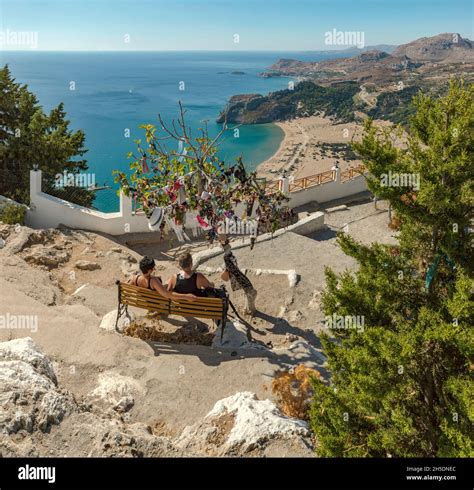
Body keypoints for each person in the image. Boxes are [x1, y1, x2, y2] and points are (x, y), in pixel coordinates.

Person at [128, 256, 197, 301]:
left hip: (145, 299)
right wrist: (186, 296)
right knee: (172, 280)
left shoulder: (135, 278)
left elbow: (127, 287)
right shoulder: (153, 281)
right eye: (153, 268)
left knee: (168, 280)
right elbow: (167, 294)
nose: (154, 269)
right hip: (155, 301)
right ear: (149, 270)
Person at [219, 235, 257, 315]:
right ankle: (251, 310)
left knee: (249, 291)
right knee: (251, 291)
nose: (229, 245)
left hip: (237, 276)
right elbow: (232, 271)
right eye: (226, 244)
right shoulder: (227, 257)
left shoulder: (228, 255)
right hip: (237, 277)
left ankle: (247, 309)